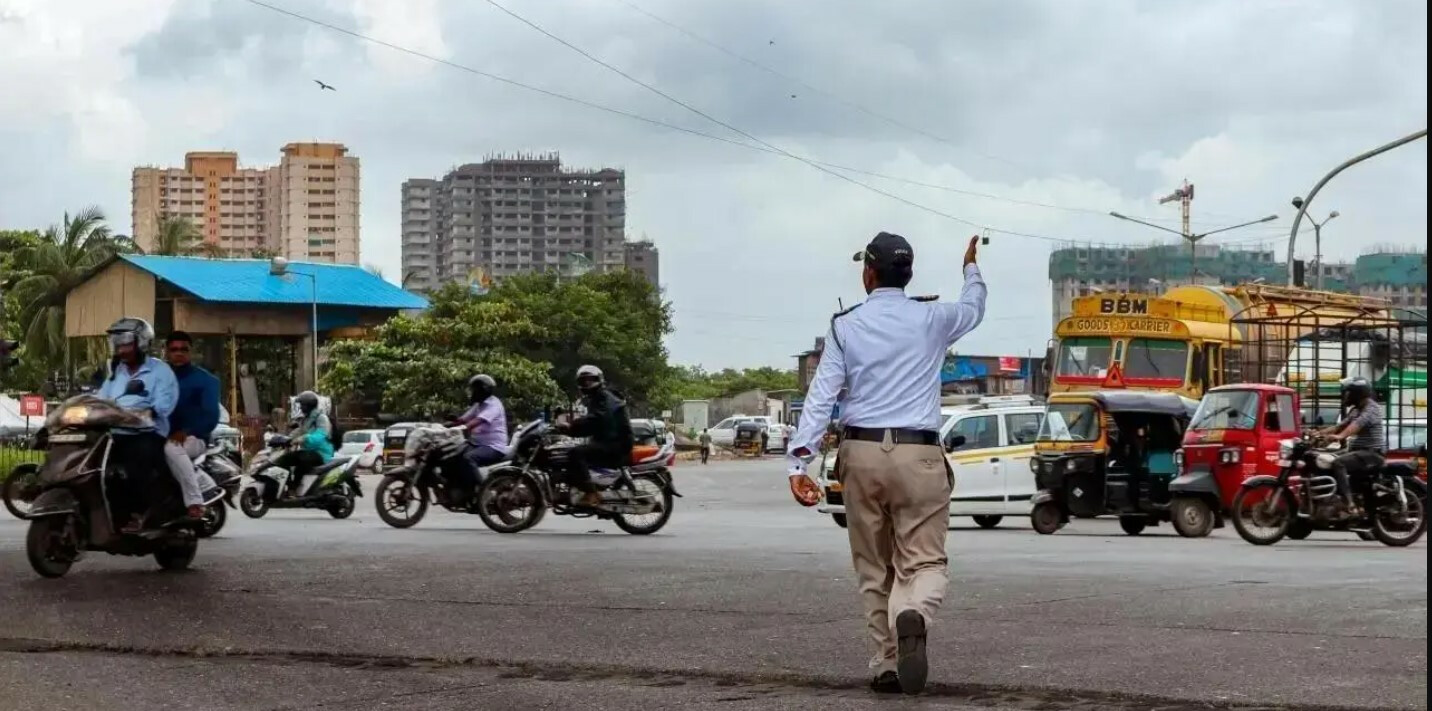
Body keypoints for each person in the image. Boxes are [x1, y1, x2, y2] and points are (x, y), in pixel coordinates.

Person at [787, 232, 987, 695]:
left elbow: (821, 398)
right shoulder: (934, 317)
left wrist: (800, 464)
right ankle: (913, 613)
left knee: (874, 568)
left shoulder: (845, 325)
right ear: (909, 275)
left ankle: (886, 662)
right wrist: (971, 268)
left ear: (867, 275)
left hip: (860, 455)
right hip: (918, 455)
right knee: (925, 562)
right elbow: (974, 307)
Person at [98, 317, 180, 533]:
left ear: (141, 343)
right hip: (116, 432)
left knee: (135, 468)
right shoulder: (116, 374)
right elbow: (101, 399)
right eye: (118, 343)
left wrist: (147, 411)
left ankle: (147, 513)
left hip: (147, 433)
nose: (121, 349)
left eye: (126, 343)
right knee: (97, 467)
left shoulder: (160, 371)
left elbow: (164, 404)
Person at [557, 365, 634, 507]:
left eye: (590, 380)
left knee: (576, 453)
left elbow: (596, 420)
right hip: (611, 440)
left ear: (598, 379)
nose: (587, 384)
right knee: (574, 450)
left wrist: (573, 426)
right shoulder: (599, 397)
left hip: (617, 443)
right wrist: (571, 430)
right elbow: (594, 425)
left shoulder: (604, 398)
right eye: (583, 381)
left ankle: (591, 494)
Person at [162, 331, 220, 519]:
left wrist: (186, 432)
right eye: (174, 349)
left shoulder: (206, 380)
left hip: (194, 438)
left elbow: (210, 417)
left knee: (172, 448)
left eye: (183, 349)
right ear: (167, 352)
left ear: (191, 352)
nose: (179, 353)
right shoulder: (158, 379)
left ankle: (195, 501)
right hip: (159, 435)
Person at [1316, 376, 1385, 516]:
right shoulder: (1356, 409)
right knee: (1323, 458)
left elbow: (1356, 425)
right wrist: (1317, 434)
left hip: (1372, 454)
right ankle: (1332, 497)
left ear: (1357, 393)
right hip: (1358, 452)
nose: (1345, 395)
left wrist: (1341, 436)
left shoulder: (1371, 408)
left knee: (1338, 462)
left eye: (1348, 392)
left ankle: (1349, 504)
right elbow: (1340, 426)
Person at [451, 374, 510, 492]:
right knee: (453, 454)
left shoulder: (494, 405)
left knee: (468, 458)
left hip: (493, 447)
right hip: (477, 444)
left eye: (474, 389)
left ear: (482, 390)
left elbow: (477, 421)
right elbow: (463, 419)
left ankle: (482, 491)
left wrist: (462, 427)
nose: (472, 392)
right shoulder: (479, 404)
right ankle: (462, 488)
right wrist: (444, 425)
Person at [276, 391, 333, 497]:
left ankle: (295, 488)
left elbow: (321, 435)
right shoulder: (306, 419)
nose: (301, 407)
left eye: (302, 405)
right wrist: (286, 439)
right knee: (283, 460)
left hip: (321, 453)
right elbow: (299, 431)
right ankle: (287, 486)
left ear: (309, 405)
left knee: (302, 460)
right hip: (308, 451)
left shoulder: (321, 418)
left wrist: (305, 438)